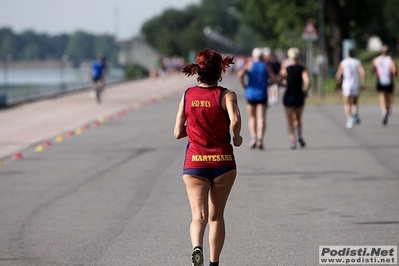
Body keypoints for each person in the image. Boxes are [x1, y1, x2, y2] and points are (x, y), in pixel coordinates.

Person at [174, 48, 243, 266]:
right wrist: (236, 135)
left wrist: (195, 129)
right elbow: (235, 118)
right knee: (216, 217)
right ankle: (214, 263)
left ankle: (197, 247)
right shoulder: (226, 95)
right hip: (223, 164)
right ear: (220, 70)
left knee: (198, 217)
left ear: (199, 70)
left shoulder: (188, 95)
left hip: (195, 164)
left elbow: (177, 132)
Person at [237, 47, 277, 150]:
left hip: (250, 94)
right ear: (262, 56)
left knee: (252, 117)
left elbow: (240, 74)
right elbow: (273, 79)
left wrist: (243, 85)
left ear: (254, 56)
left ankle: (253, 138)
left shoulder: (249, 65)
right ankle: (260, 139)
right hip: (262, 94)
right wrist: (269, 83)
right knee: (261, 118)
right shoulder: (266, 66)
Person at [279, 47, 310, 149]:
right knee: (298, 118)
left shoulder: (286, 69)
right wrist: (306, 91)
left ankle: (292, 140)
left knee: (290, 120)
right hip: (299, 96)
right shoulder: (302, 69)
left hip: (289, 96)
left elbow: (280, 81)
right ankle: (300, 135)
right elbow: (308, 81)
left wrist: (283, 85)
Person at [335, 49, 366, 128]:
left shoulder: (344, 62)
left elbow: (338, 74)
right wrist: (363, 83)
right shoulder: (357, 62)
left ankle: (349, 119)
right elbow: (363, 73)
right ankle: (355, 111)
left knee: (347, 103)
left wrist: (338, 80)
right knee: (355, 102)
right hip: (355, 84)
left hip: (347, 85)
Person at [371, 45, 396, 126]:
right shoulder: (391, 59)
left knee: (382, 97)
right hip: (389, 81)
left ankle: (384, 111)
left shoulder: (376, 59)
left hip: (380, 81)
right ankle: (386, 109)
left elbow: (373, 70)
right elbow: (394, 70)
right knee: (389, 98)